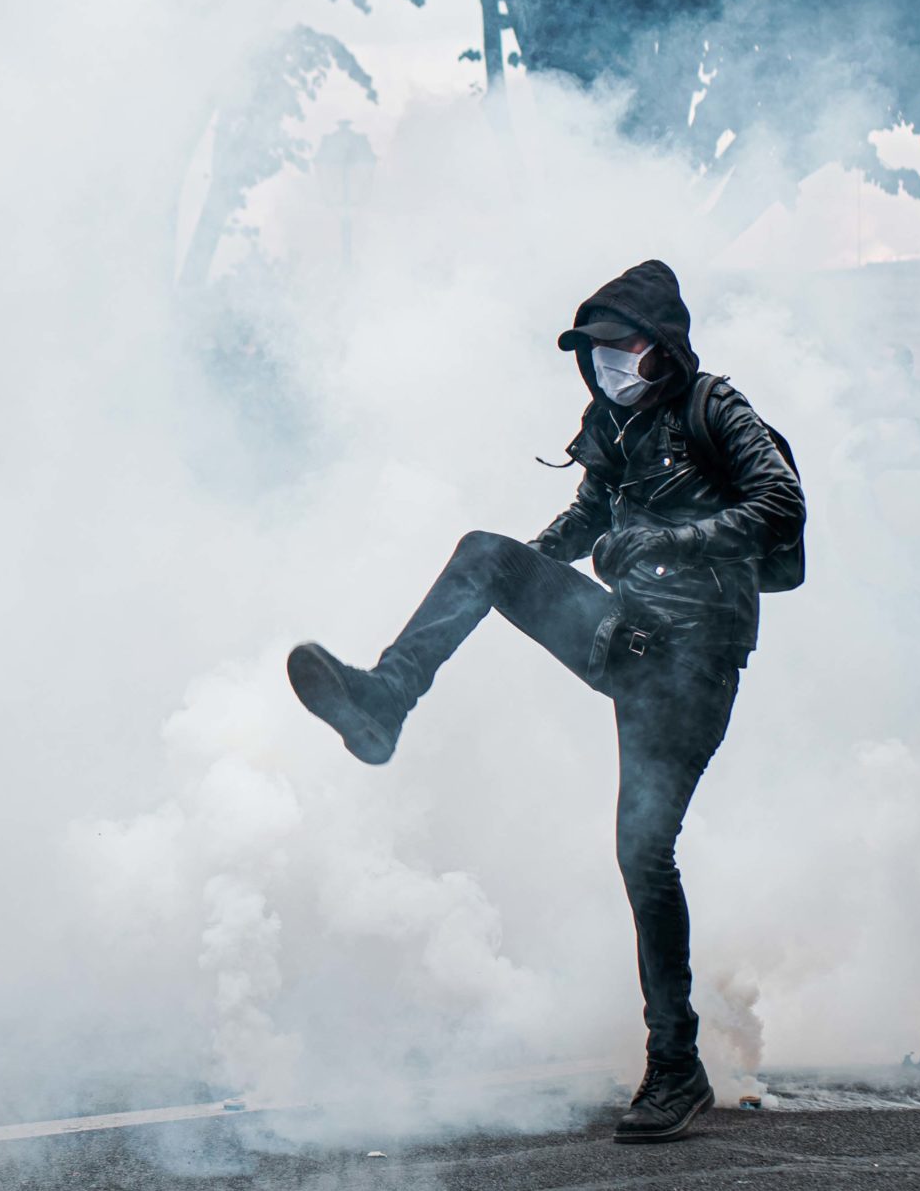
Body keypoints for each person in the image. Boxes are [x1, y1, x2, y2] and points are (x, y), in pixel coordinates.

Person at [285, 260, 805, 1144]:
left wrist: (667, 541)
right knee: (484, 552)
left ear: (662, 347)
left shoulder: (715, 406)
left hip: (697, 658)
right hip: (621, 637)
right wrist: (521, 570)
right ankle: (382, 705)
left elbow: (780, 501)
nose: (606, 363)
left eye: (621, 347)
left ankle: (675, 1064)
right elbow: (585, 519)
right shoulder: (609, 423)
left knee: (643, 852)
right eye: (593, 351)